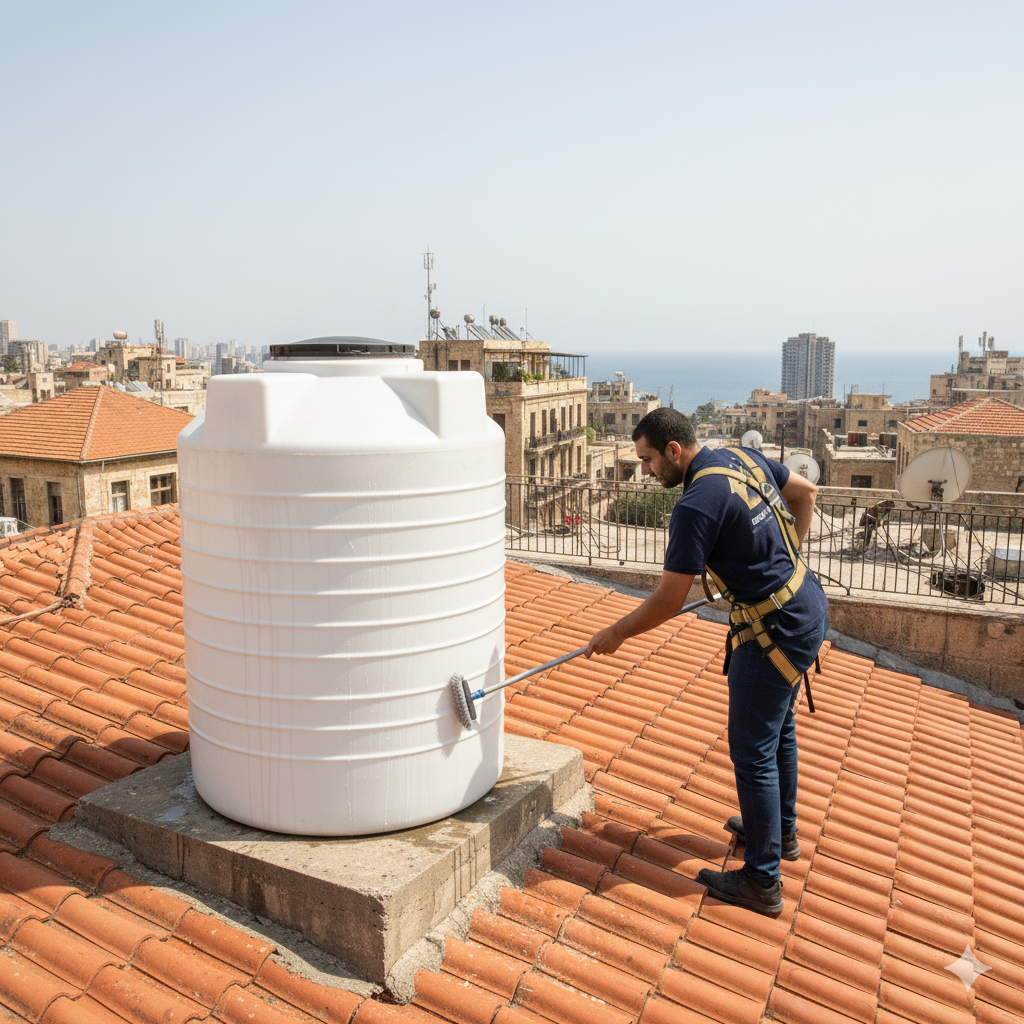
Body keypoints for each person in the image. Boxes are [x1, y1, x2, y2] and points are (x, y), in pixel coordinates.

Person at [585, 408, 828, 916]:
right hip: (804, 604)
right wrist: (784, 561)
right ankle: (780, 833)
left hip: (773, 631)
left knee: (753, 752)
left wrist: (616, 633)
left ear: (674, 450)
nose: (646, 471)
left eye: (649, 460)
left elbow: (670, 598)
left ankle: (763, 880)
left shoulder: (696, 504)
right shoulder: (741, 455)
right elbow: (806, 493)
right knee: (778, 729)